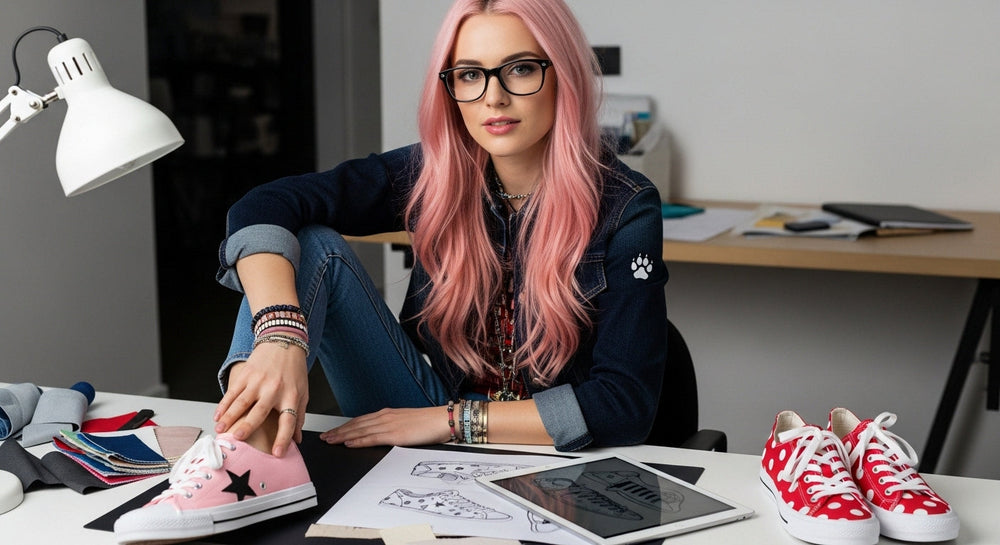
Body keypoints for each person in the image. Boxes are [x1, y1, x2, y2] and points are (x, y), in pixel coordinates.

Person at [115, 1, 668, 541]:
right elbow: (265, 204)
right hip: (421, 409)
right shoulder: (435, 172)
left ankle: (248, 458)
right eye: (470, 74)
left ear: (563, 74)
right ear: (449, 87)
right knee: (312, 243)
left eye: (521, 68)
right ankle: (248, 455)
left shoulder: (626, 206)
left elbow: (623, 405)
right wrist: (281, 334)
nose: (492, 96)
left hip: (542, 456)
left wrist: (451, 421)